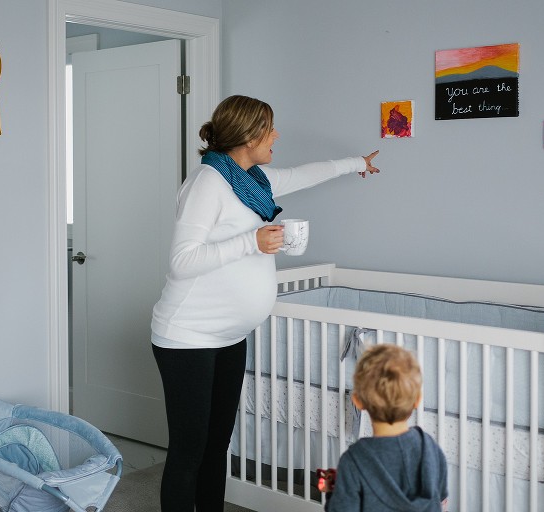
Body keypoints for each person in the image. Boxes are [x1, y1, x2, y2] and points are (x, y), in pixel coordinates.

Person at [150, 94, 380, 512]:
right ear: (249, 135)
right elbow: (182, 262)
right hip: (188, 337)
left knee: (217, 444)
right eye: (269, 128)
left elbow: (304, 174)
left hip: (229, 337)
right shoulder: (208, 183)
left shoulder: (253, 180)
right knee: (190, 449)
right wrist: (251, 242)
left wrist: (357, 163)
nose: (276, 135)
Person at [321, 344, 449, 512]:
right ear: (417, 400)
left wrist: (332, 493)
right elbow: (441, 502)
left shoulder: (354, 461)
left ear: (357, 401)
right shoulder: (430, 448)